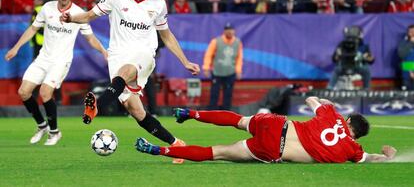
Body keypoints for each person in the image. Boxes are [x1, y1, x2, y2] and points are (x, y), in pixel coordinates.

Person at [59, 0, 200, 164]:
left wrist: (185, 61)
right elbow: (89, 15)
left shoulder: (158, 3)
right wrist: (71, 18)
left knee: (126, 72)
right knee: (136, 111)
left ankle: (98, 106)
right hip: (118, 54)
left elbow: (167, 36)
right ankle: (176, 143)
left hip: (144, 54)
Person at [136, 96, 397, 163]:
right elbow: (368, 158)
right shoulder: (352, 150)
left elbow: (311, 101)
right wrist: (387, 155)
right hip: (274, 149)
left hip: (277, 124)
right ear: (357, 134)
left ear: (348, 122)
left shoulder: (332, 114)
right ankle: (158, 149)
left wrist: (327, 103)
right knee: (215, 152)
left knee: (237, 120)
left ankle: (191, 113)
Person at [4, 0, 107, 145]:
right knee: (23, 92)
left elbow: (90, 38)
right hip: (43, 58)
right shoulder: (47, 8)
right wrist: (16, 48)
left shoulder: (79, 13)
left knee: (45, 92)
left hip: (61, 61)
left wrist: (103, 51)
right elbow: (33, 28)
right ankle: (42, 125)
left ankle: (54, 132)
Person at [203, 23, 243, 110]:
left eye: (231, 29)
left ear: (234, 31)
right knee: (214, 94)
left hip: (230, 72)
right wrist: (206, 68)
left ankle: (226, 112)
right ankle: (211, 112)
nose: (230, 32)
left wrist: (238, 71)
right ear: (224, 31)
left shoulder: (237, 42)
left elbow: (239, 58)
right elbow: (208, 55)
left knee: (228, 95)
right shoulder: (216, 41)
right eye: (228, 30)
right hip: (217, 72)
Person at [398, 25, 414, 90]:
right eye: (410, 31)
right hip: (407, 72)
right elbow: (401, 55)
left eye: (413, 31)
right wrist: (411, 43)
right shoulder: (403, 43)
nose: (411, 32)